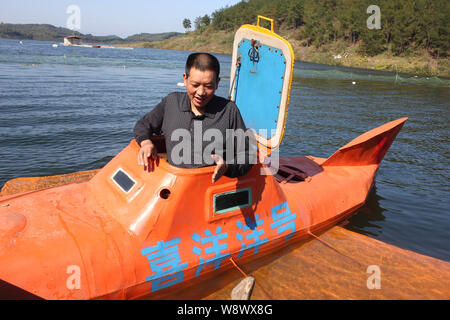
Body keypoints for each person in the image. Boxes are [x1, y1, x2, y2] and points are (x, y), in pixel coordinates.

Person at [133, 52, 253, 183]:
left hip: (209, 187)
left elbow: (247, 155)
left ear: (217, 83)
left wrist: (227, 167)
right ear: (185, 79)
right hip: (173, 184)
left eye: (208, 86)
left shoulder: (229, 110)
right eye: (195, 85)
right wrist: (146, 142)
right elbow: (143, 125)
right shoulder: (171, 102)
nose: (201, 92)